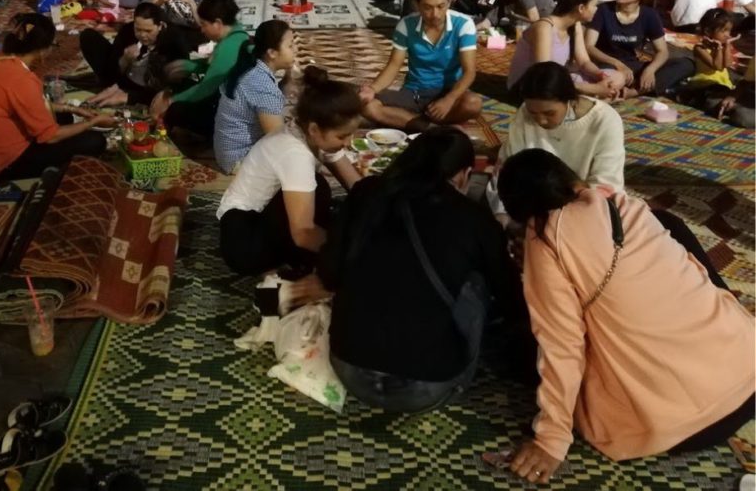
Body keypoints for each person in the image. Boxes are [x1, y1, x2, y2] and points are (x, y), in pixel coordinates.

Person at [495, 149, 754, 483]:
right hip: (748, 370)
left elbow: (561, 346)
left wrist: (551, 440)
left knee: (517, 350)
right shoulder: (626, 205)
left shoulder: (544, 241)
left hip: (680, 426)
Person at [319, 128, 531, 412]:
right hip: (428, 387)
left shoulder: (366, 192)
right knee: (478, 278)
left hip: (348, 368)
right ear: (463, 174)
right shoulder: (474, 218)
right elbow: (511, 301)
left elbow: (329, 272)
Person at [217, 68, 361, 275]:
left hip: (257, 220)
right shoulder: (294, 153)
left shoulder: (309, 132)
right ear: (314, 129)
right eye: (342, 136)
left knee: (321, 192)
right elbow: (303, 233)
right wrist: (349, 255)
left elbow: (356, 186)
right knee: (318, 189)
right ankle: (290, 264)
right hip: (244, 241)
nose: (348, 143)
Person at [0, 13, 111, 180]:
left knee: (64, 117)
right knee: (94, 141)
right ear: (42, 50)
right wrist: (92, 122)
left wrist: (71, 108)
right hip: (3, 163)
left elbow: (29, 104)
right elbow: (50, 137)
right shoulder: (21, 79)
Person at [361, 0, 482, 132]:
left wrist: (449, 99)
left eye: (441, 6)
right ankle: (432, 128)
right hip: (414, 92)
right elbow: (393, 65)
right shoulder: (406, 25)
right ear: (417, 5)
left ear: (449, 1)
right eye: (427, 7)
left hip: (449, 90)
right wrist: (372, 89)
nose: (435, 14)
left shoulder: (464, 24)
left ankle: (409, 120)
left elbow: (469, 72)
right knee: (368, 106)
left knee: (473, 103)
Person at [499, 62, 625, 193]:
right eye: (533, 113)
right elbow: (508, 169)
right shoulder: (525, 111)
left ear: (569, 99)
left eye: (549, 113)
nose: (541, 120)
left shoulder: (605, 120)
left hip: (587, 202)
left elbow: (606, 183)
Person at [150, 0, 249, 140]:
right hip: (228, 104)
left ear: (217, 23)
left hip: (231, 117)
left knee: (176, 109)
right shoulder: (237, 35)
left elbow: (207, 87)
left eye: (204, 24)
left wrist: (171, 101)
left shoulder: (229, 47)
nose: (201, 29)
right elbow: (213, 68)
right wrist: (189, 66)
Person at [585, 0, 694, 97]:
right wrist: (617, 64)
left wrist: (650, 70)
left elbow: (662, 51)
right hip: (607, 65)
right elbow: (589, 46)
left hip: (633, 65)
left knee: (686, 64)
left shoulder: (649, 15)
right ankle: (631, 88)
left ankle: (633, 92)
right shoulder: (603, 10)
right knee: (610, 79)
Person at [507, 0, 625, 98]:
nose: (596, 9)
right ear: (581, 8)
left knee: (617, 78)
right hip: (534, 85)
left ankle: (592, 96)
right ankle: (592, 97)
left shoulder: (575, 25)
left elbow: (584, 62)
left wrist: (600, 75)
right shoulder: (545, 27)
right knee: (571, 89)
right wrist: (593, 88)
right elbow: (544, 74)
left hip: (556, 79)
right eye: (594, 5)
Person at [213, 20, 295, 173]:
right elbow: (277, 140)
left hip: (227, 151)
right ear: (272, 53)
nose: (295, 50)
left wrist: (288, 80)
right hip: (239, 158)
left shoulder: (253, 67)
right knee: (301, 157)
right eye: (290, 46)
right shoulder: (262, 86)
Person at [81, 3, 190, 108]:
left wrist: (130, 97)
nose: (142, 35)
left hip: (151, 88)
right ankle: (112, 87)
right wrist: (124, 60)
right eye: (138, 29)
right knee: (88, 36)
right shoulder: (127, 31)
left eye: (148, 31)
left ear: (161, 26)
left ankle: (129, 95)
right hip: (126, 77)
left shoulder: (174, 40)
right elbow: (112, 66)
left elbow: (179, 82)